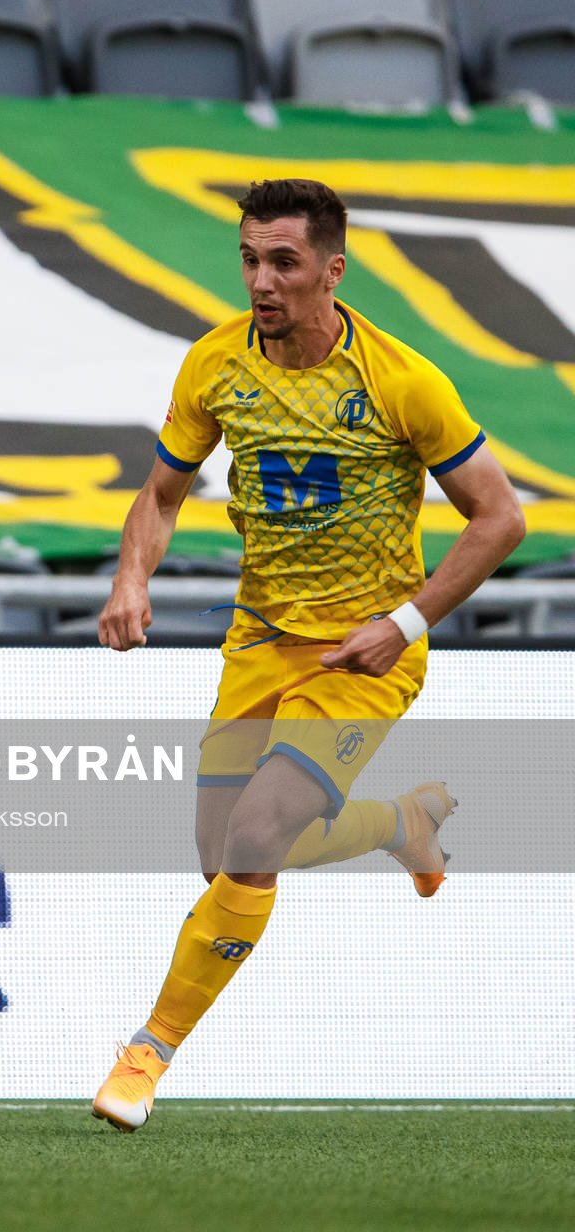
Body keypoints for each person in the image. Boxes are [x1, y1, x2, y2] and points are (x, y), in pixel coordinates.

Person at [90, 178, 524, 1132]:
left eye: (282, 262)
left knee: (254, 841)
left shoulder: (401, 381)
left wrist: (404, 626)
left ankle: (146, 1053)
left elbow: (500, 518)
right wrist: (132, 579)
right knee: (221, 855)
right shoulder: (215, 364)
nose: (261, 281)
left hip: (364, 657)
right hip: (260, 639)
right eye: (249, 259)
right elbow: (161, 495)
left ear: (333, 270)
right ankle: (398, 824)